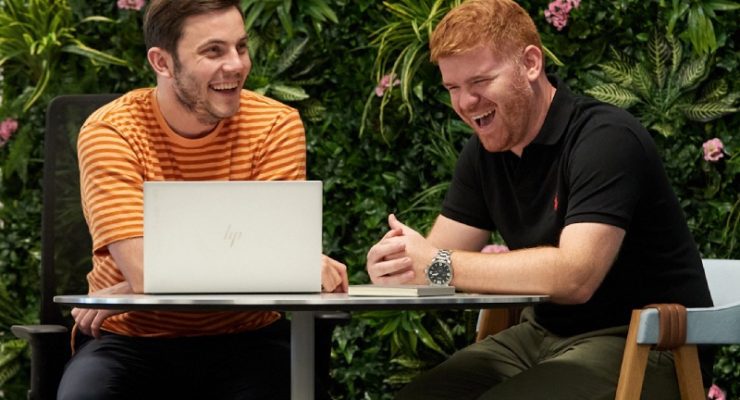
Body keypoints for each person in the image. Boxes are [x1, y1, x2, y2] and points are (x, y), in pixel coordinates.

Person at [365, 0, 713, 399]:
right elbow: (435, 259)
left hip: (647, 344)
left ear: (531, 63)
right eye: (453, 88)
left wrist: (435, 264)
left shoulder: (606, 138)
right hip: (542, 335)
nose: (465, 102)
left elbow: (575, 276)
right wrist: (398, 266)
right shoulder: (484, 152)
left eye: (479, 81)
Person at [57, 1, 348, 399]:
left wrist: (129, 290)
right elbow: (145, 271)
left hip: (249, 337)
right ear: (162, 62)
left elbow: (278, 266)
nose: (237, 65)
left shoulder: (275, 125)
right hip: (131, 339)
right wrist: (140, 281)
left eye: (241, 47)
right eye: (213, 51)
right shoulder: (112, 132)